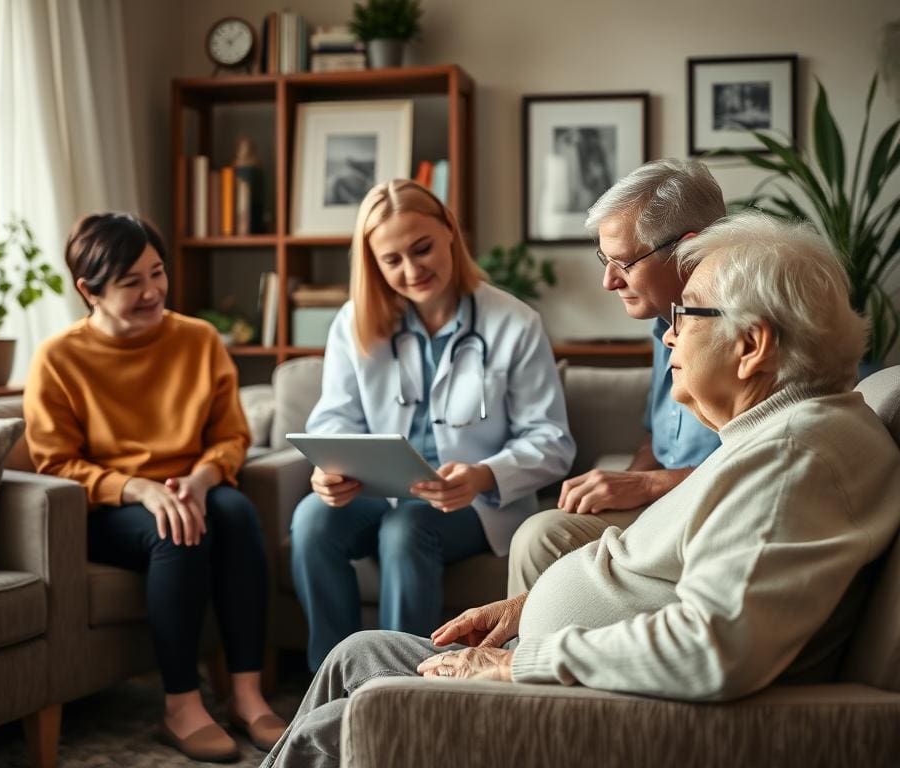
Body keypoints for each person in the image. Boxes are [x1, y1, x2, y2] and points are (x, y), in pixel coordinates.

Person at [260, 212, 900, 768]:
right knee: (357, 654)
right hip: (571, 672)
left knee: (338, 727)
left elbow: (714, 649)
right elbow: (671, 572)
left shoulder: (793, 461)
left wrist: (521, 662)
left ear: (752, 345)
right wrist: (525, 609)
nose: (669, 333)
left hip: (590, 703)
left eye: (687, 313)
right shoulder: (776, 435)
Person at [24, 213, 286, 763]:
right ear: (88, 290)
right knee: (176, 530)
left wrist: (201, 476)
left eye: (157, 273)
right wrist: (139, 489)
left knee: (235, 513)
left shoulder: (197, 339)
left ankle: (245, 694)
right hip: (108, 506)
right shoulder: (59, 358)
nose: (152, 292)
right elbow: (55, 463)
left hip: (190, 483)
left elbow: (232, 435)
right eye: (131, 283)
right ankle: (181, 705)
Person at [291, 179, 575, 671]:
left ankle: (401, 686)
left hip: (475, 502)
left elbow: (552, 442)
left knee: (407, 527)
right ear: (373, 264)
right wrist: (329, 469)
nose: (412, 270)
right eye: (392, 260)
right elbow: (336, 416)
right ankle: (331, 680)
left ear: (449, 231)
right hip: (380, 489)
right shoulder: (352, 322)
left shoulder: (514, 322)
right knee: (312, 520)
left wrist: (484, 475)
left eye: (422, 248)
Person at [508, 158, 725, 596]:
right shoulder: (664, 322)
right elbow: (656, 438)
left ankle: (513, 661)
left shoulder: (745, 333)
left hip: (708, 511)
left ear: (690, 249)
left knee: (541, 537)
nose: (608, 282)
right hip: (664, 501)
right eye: (604, 260)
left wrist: (646, 484)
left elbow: (758, 462)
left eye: (624, 263)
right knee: (546, 530)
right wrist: (620, 486)